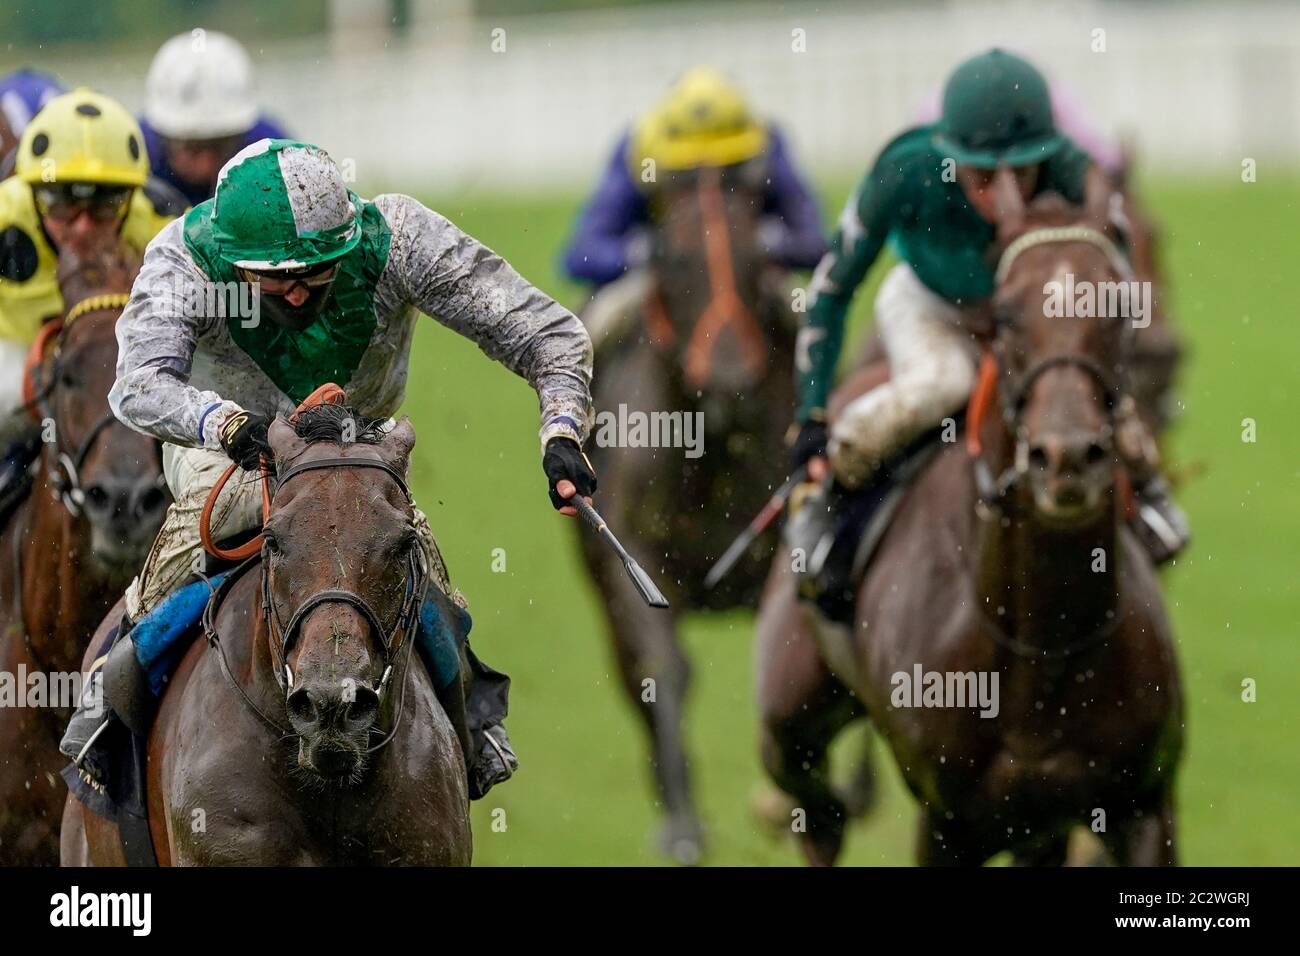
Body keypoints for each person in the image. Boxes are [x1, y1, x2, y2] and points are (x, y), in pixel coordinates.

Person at [59, 138, 598, 800]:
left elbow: (548, 335)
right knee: (213, 525)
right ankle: (112, 691)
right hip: (228, 442)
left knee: (409, 555)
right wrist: (229, 425)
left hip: (356, 445)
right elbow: (139, 384)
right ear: (231, 258)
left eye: (316, 273)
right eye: (274, 275)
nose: (294, 289)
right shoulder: (184, 255)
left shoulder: (400, 239)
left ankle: (470, 714)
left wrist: (563, 429)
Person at [786, 49, 1188, 586]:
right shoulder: (903, 172)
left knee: (1077, 387)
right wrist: (812, 415)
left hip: (1028, 306)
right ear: (949, 154)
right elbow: (832, 290)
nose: (1005, 193)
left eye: (1022, 172)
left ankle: (1148, 490)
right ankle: (827, 497)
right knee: (941, 383)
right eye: (983, 175)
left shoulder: (1072, 169)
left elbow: (1116, 277)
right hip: (931, 303)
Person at [0, 89, 181, 502]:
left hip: (118, 373)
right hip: (15, 360)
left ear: (133, 196)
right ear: (29, 192)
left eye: (105, 203)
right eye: (61, 202)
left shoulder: (165, 225)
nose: (82, 227)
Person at [561, 66, 825, 338]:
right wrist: (648, 251)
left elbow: (814, 244)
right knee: (586, 334)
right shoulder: (637, 148)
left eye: (727, 170)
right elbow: (582, 254)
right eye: (688, 174)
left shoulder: (767, 143)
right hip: (652, 275)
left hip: (755, 271)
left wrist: (759, 243)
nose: (707, 182)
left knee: (815, 329)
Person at [140, 30, 288, 205]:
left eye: (221, 144)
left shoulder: (271, 153)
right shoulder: (135, 152)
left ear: (244, 131)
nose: (206, 165)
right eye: (192, 147)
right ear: (161, 135)